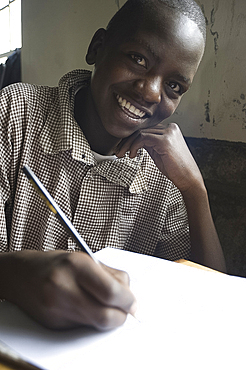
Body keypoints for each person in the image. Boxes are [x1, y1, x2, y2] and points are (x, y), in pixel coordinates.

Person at [0, 0, 226, 331]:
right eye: (138, 59)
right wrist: (14, 274)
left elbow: (214, 303)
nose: (150, 91)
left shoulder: (164, 174)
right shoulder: (15, 114)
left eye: (174, 86)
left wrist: (194, 189)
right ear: (98, 47)